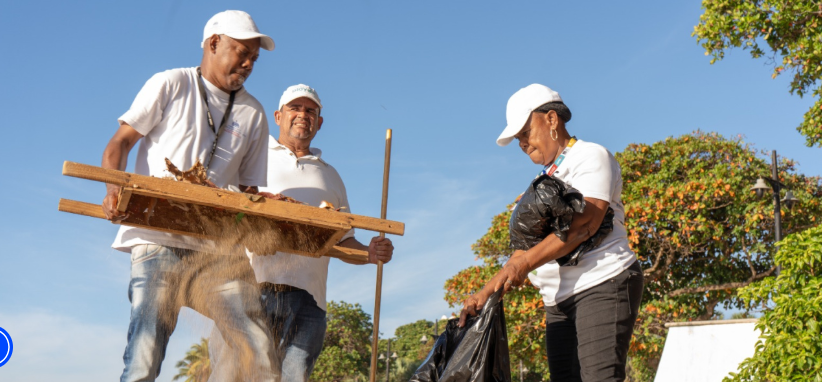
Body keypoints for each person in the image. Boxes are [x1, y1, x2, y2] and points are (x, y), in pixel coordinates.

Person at [100, 10, 279, 382]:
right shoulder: (171, 84)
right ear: (213, 43)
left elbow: (247, 193)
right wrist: (115, 188)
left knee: (259, 349)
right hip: (156, 239)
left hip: (217, 250)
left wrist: (257, 224)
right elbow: (120, 143)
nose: (247, 64)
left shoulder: (253, 113)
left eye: (253, 59)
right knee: (145, 356)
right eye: (241, 52)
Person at [209, 84, 395, 382]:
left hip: (310, 302)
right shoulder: (251, 158)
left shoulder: (330, 176)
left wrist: (370, 254)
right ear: (278, 116)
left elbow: (343, 241)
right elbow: (223, 213)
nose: (302, 115)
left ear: (319, 122)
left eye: (310, 111)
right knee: (231, 376)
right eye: (295, 108)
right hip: (249, 290)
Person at [459, 84, 644, 382]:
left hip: (601, 284)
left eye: (524, 131)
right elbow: (523, 252)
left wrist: (522, 265)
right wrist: (484, 293)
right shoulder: (542, 180)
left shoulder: (590, 156)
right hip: (558, 302)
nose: (522, 142)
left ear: (551, 120)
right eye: (518, 137)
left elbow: (585, 224)